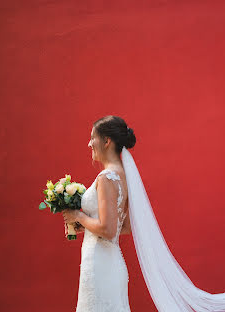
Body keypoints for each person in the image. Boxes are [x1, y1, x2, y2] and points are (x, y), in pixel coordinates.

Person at [63, 115, 135, 312]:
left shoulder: (105, 178)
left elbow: (108, 229)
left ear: (106, 141)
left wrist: (78, 217)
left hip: (99, 264)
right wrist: (86, 225)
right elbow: (125, 227)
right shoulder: (124, 176)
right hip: (113, 261)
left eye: (92, 137)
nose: (89, 143)